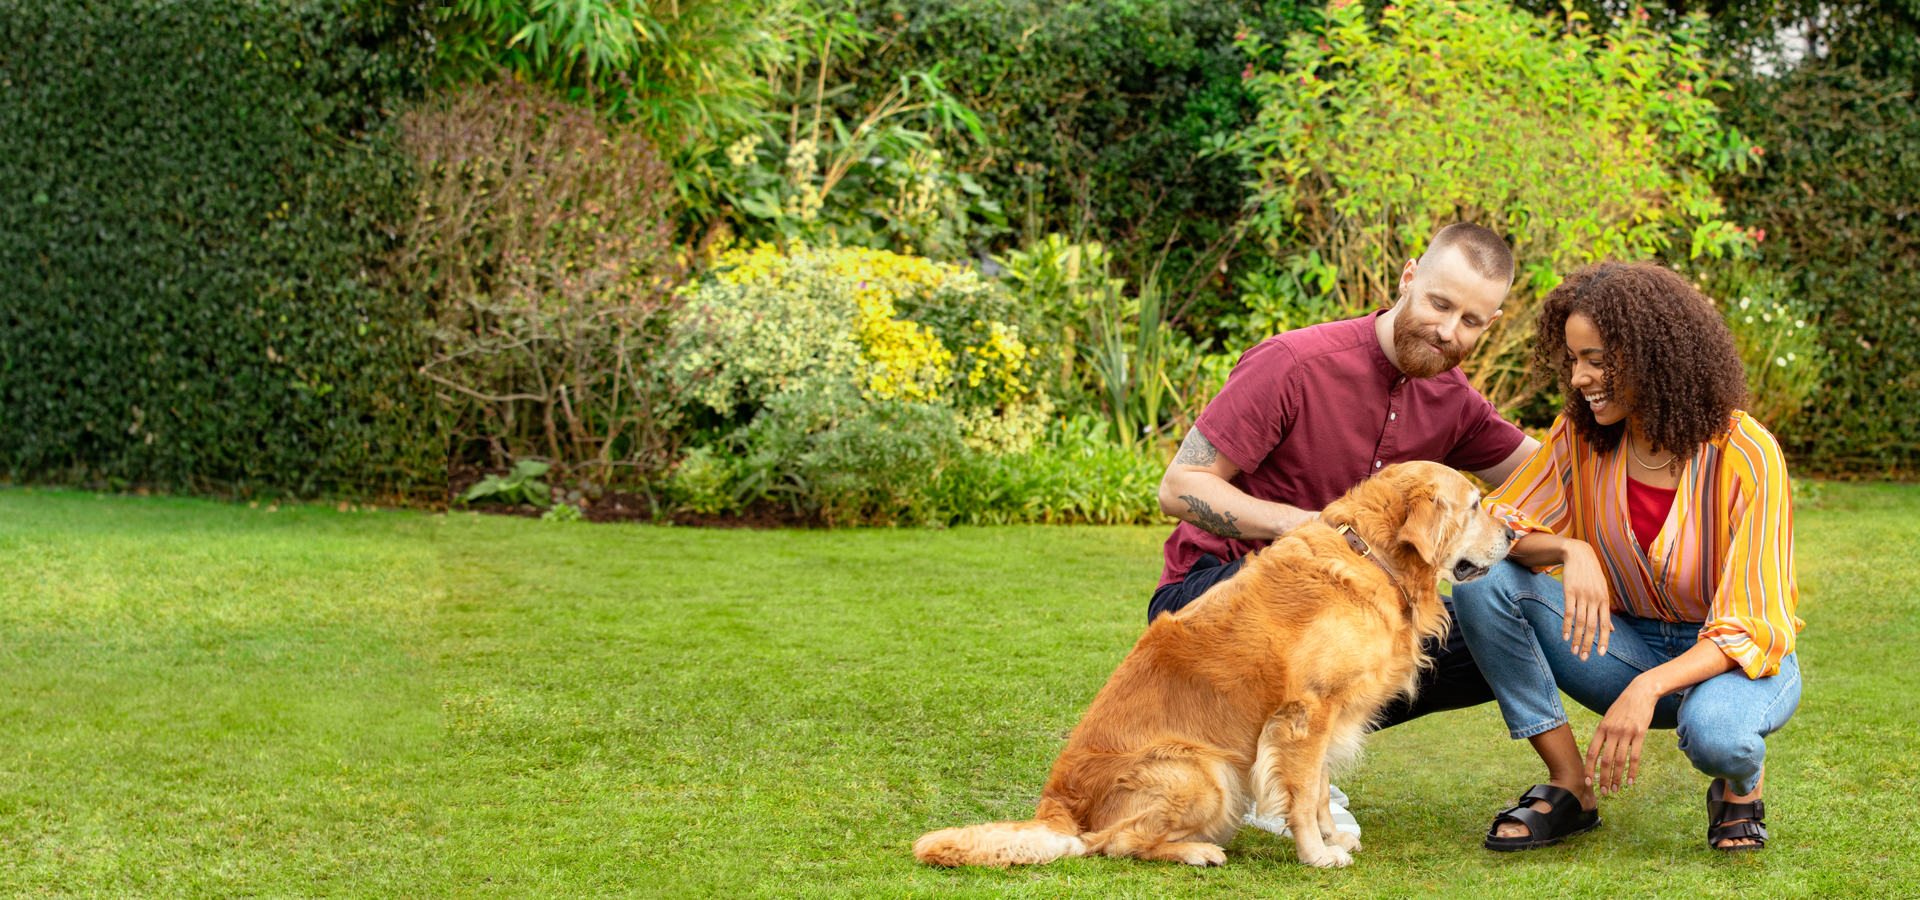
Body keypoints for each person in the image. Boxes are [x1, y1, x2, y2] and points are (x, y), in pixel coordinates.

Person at [1152, 222, 1541, 833]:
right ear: (1409, 278)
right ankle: (1289, 773)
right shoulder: (1292, 364)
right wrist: (1312, 529)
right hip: (1217, 598)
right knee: (1339, 612)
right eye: (1440, 303)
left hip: (1350, 616)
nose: (1447, 330)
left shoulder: (1456, 402)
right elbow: (1181, 487)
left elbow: (1552, 475)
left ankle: (1291, 758)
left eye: (1470, 320)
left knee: (1509, 624)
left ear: (1488, 326)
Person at [1450, 260, 1803, 853]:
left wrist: (1644, 693)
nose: (1581, 377)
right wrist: (1570, 547)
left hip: (1732, 663)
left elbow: (1752, 625)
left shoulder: (1747, 454)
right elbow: (1487, 531)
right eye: (1573, 360)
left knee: (1718, 736)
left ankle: (1740, 789)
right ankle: (1571, 787)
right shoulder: (1580, 436)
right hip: (1624, 647)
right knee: (1481, 581)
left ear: (1654, 355)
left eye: (1597, 359)